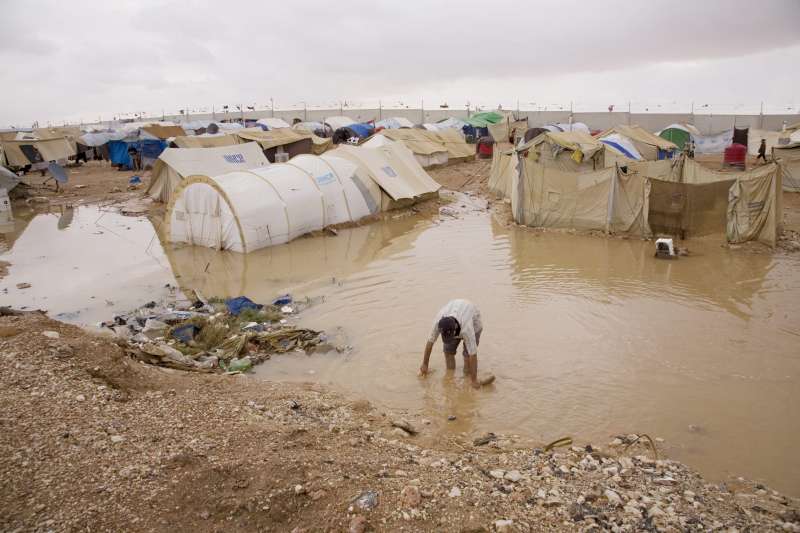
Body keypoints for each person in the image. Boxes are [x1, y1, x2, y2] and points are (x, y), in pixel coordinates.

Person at [419, 299, 494, 388]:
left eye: (451, 336)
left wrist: (474, 381)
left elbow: (472, 354)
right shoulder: (438, 322)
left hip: (474, 325)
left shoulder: (467, 328)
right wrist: (425, 364)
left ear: (455, 328)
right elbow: (430, 342)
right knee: (448, 351)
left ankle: (467, 380)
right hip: (455, 318)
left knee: (467, 358)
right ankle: (450, 376)